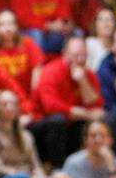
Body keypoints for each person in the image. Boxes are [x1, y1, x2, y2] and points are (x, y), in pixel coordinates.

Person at [31, 36, 105, 170]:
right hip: (43, 125)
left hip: (72, 125)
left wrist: (83, 82)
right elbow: (51, 107)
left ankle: (88, 165)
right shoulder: (50, 71)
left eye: (83, 56)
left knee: (94, 123)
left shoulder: (88, 74)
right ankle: (57, 167)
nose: (80, 60)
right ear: (64, 53)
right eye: (75, 56)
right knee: (58, 121)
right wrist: (81, 113)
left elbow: (96, 107)